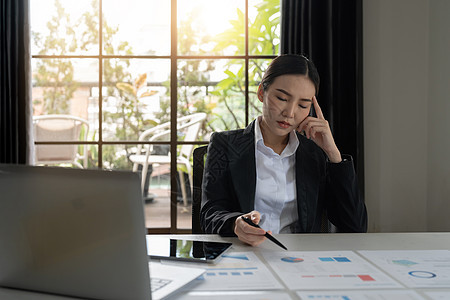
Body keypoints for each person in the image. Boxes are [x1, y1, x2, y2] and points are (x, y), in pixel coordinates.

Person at [200, 54, 367, 247]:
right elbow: (209, 213)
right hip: (244, 255)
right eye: (282, 98)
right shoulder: (225, 145)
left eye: (303, 105)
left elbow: (356, 226)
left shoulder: (314, 154)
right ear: (262, 92)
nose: (290, 113)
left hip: (301, 260)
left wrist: (334, 156)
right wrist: (236, 224)